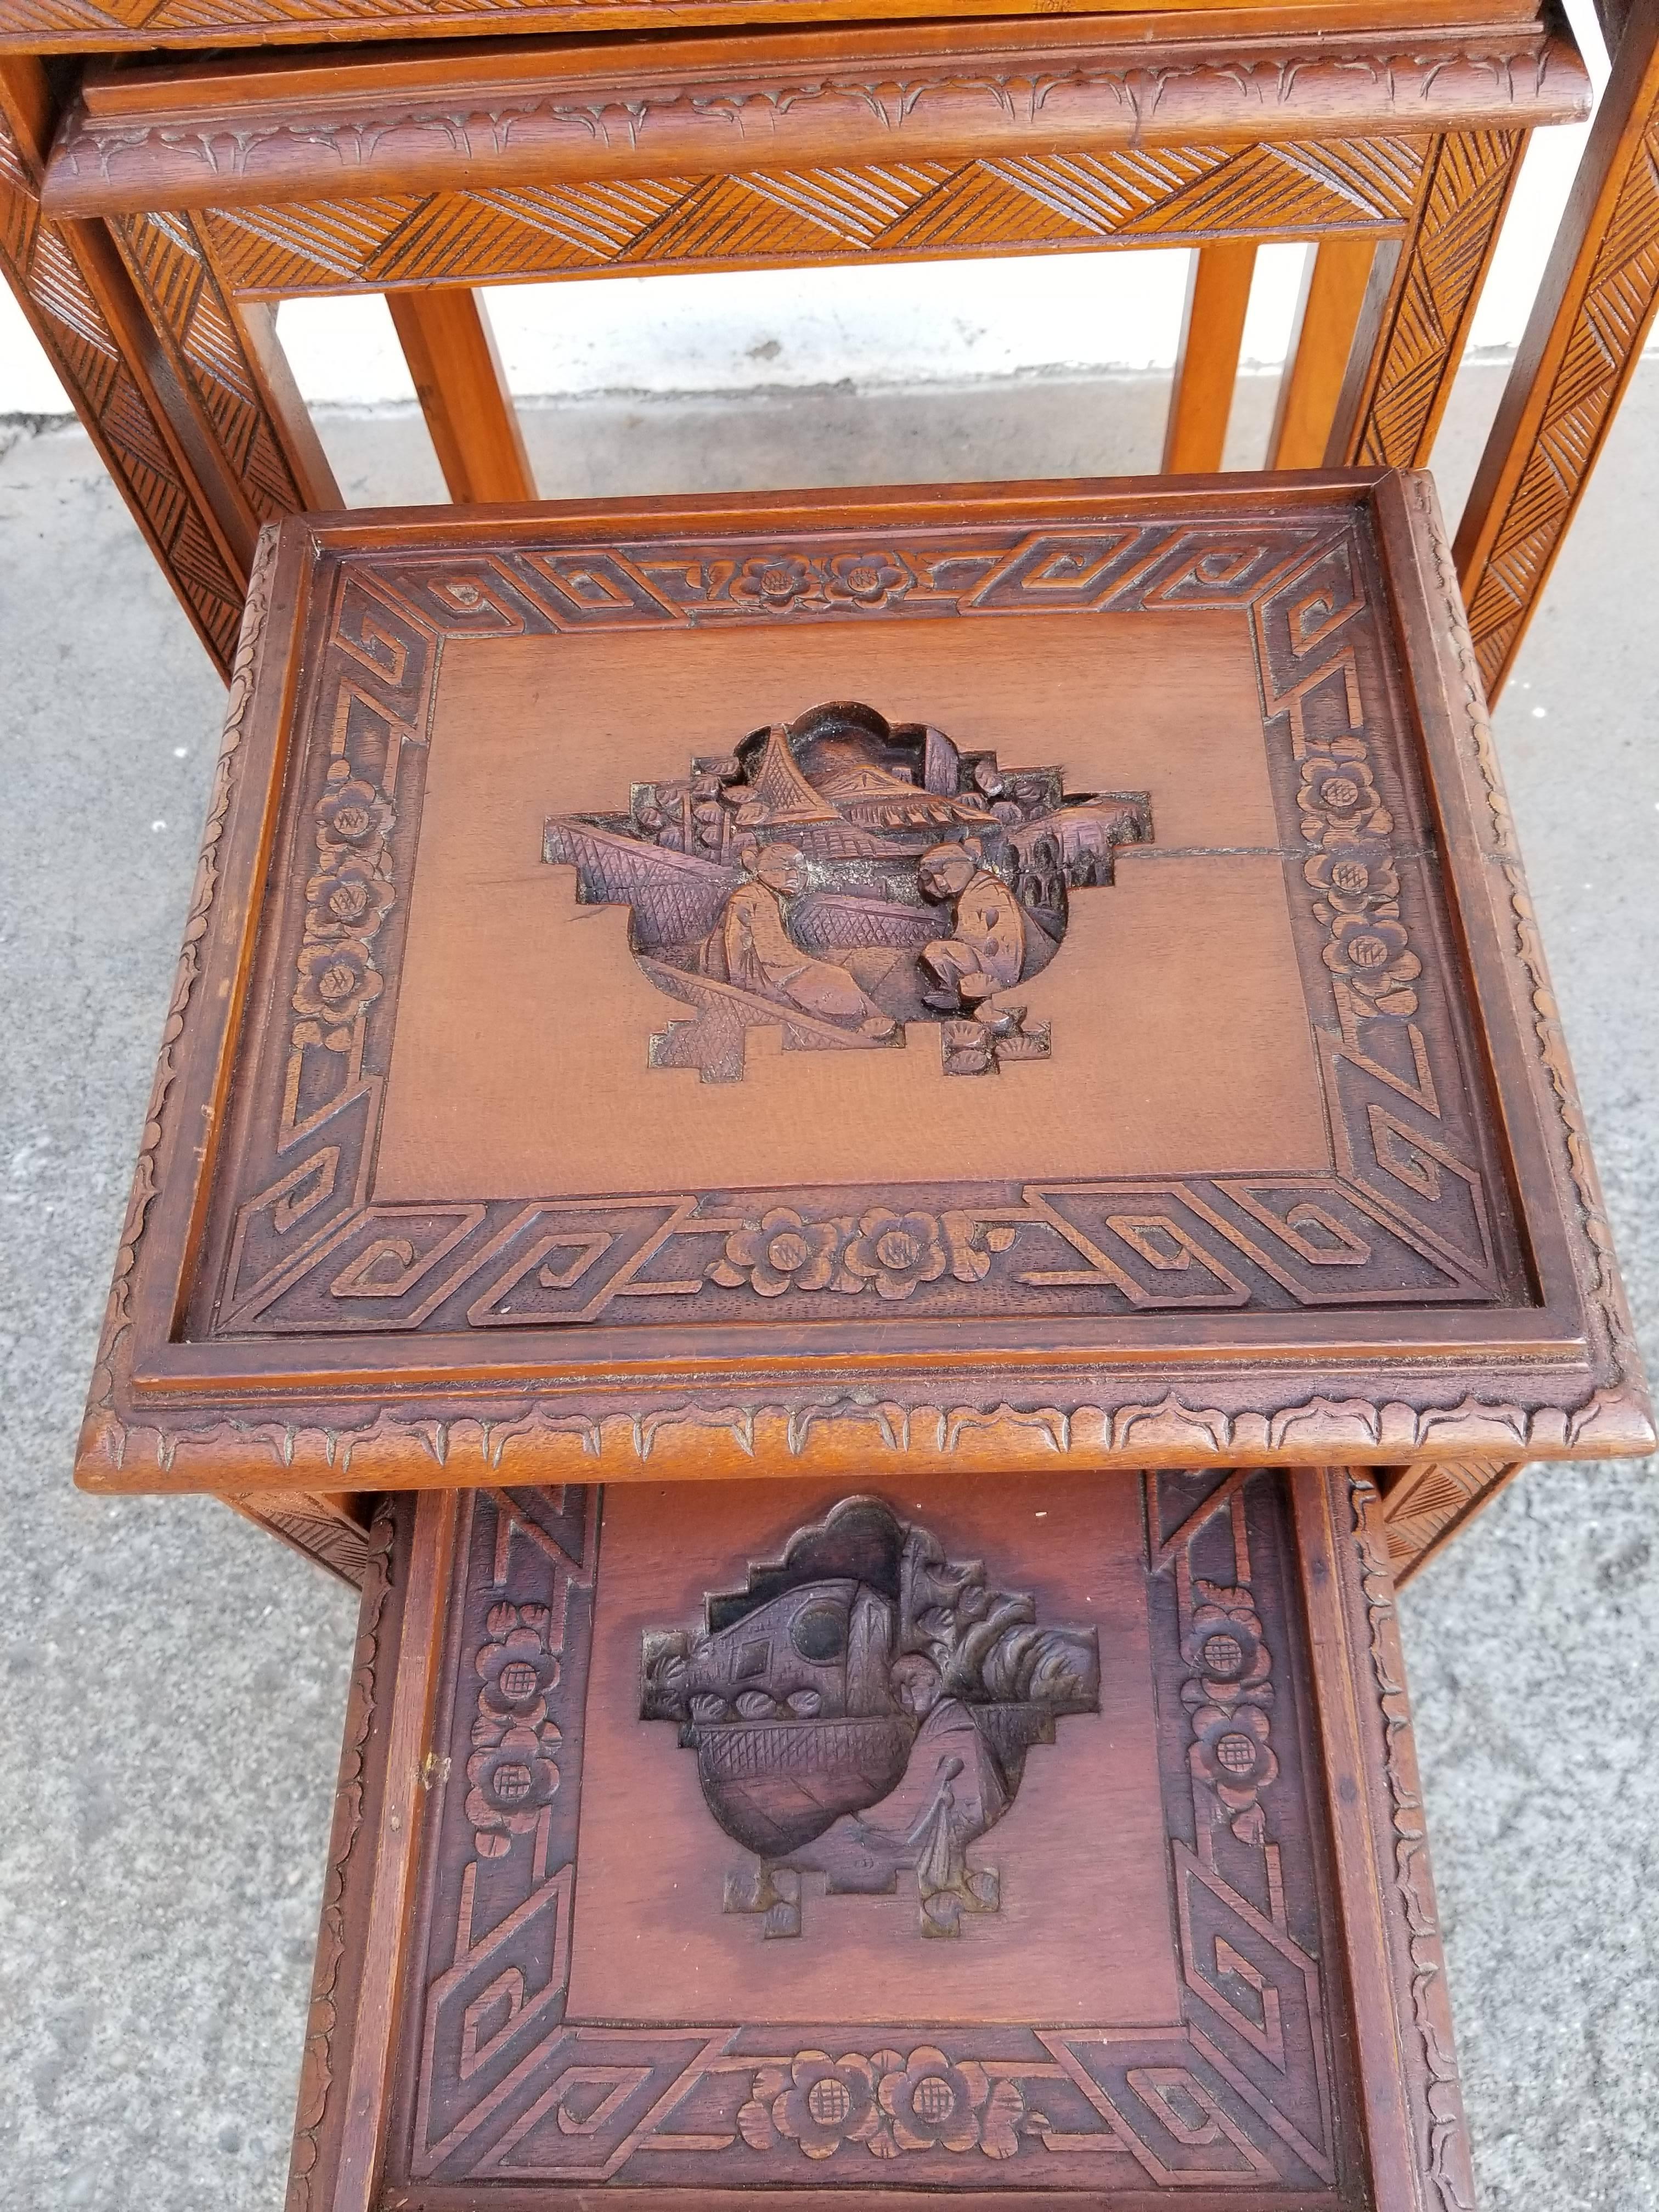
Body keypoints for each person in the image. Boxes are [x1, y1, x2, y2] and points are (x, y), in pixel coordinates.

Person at [720, 843, 896, 1035]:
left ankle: (870, 1017)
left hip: (781, 965)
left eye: (800, 871)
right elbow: (738, 942)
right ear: (766, 869)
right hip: (766, 972)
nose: (794, 877)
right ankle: (860, 1023)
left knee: (837, 976)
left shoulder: (769, 897)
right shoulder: (748, 897)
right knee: (833, 978)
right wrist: (740, 983)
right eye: (786, 868)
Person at [916, 842, 1028, 1011]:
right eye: (930, 879)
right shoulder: (981, 887)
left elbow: (972, 937)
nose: (939, 883)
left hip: (996, 970)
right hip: (995, 966)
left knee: (935, 951)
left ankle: (951, 992)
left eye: (944, 871)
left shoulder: (980, 892)